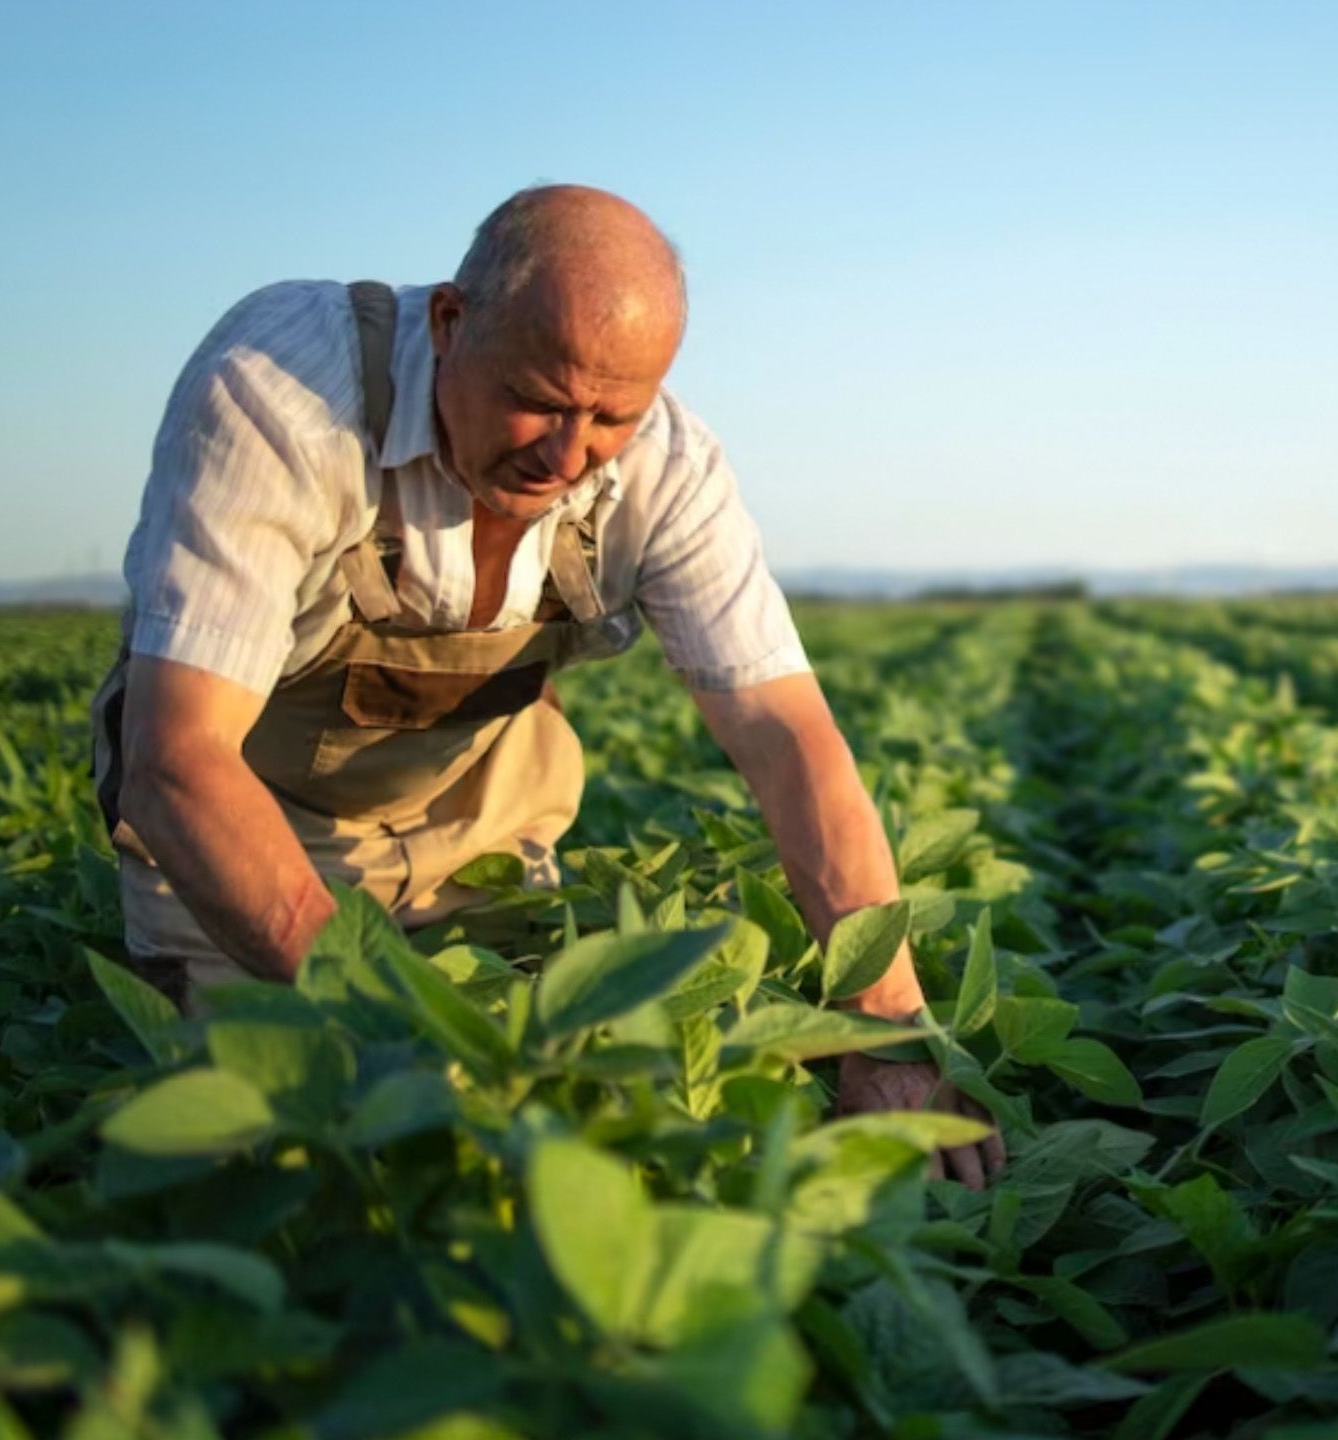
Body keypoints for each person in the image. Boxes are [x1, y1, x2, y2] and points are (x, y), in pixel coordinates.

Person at [88, 184, 1004, 1188]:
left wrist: (886, 1029)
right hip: (245, 835)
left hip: (482, 834)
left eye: (612, 415)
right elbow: (176, 765)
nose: (567, 455)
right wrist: (404, 1033)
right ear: (448, 322)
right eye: (539, 397)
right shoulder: (283, 393)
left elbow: (787, 740)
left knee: (583, 1138)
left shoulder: (669, 467)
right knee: (279, 1157)